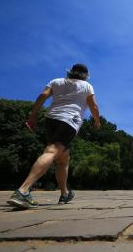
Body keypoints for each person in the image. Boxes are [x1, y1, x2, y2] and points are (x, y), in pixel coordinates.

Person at [7, 63, 101, 209]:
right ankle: (23, 191)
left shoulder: (56, 81)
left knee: (63, 158)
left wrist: (32, 116)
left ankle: (64, 193)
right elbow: (93, 106)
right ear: (86, 76)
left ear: (70, 72)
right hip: (69, 121)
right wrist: (97, 121)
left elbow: (43, 95)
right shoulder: (86, 86)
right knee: (52, 151)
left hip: (50, 120)